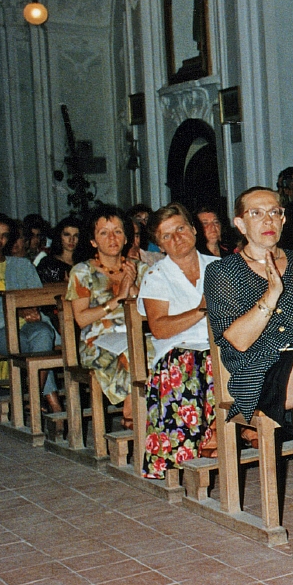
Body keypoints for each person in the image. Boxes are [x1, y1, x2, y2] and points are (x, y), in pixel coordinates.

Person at [203, 187, 293, 505]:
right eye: (256, 213)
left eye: (275, 212)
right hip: (257, 371)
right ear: (240, 223)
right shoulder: (221, 271)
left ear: (283, 219)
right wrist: (272, 293)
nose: (268, 219)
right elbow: (238, 341)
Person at [138, 204, 217, 479]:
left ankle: (231, 430)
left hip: (220, 345)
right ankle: (204, 438)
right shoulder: (156, 276)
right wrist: (201, 310)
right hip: (176, 352)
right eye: (166, 236)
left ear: (194, 229)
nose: (177, 238)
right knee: (197, 360)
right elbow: (159, 328)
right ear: (159, 245)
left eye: (180, 229)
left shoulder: (219, 267)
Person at [67, 206, 151, 424]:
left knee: (163, 350)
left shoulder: (140, 269)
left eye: (118, 232)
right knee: (134, 352)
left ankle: (151, 411)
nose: (112, 238)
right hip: (97, 343)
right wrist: (117, 299)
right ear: (93, 241)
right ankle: (132, 412)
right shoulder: (82, 272)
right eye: (104, 232)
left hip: (135, 335)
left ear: (126, 238)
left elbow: (150, 313)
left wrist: (132, 289)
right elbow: (81, 319)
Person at [0, 213, 62, 414]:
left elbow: (36, 296)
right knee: (38, 344)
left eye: (4, 235)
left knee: (44, 333)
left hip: (29, 324)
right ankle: (50, 401)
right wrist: (18, 311)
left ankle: (33, 397)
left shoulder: (22, 265)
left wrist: (32, 311)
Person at [36, 216, 82, 285]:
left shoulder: (86, 263)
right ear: (59, 236)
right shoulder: (48, 263)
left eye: (76, 236)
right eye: (67, 235)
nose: (71, 240)